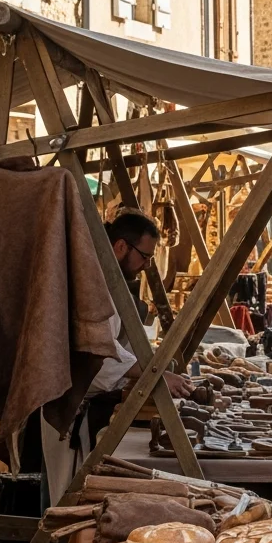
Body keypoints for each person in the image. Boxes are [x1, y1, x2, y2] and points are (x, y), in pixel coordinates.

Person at [40, 210, 193, 503]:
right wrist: (154, 373)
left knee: (74, 490)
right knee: (65, 494)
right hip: (69, 404)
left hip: (85, 403)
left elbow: (117, 346)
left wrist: (157, 365)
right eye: (144, 256)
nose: (146, 265)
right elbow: (97, 353)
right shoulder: (91, 282)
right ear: (121, 246)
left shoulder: (110, 280)